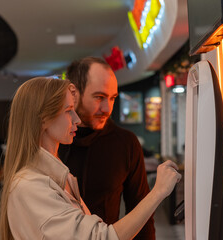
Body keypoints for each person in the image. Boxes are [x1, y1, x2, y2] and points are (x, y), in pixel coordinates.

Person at [0, 77, 181, 240]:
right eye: (68, 110)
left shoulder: (59, 175)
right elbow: (103, 237)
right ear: (43, 119)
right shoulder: (30, 186)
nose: (76, 119)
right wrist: (159, 191)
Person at [58, 56, 155, 239]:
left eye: (112, 98)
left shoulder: (126, 142)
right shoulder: (52, 139)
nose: (107, 108)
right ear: (74, 93)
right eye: (99, 97)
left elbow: (142, 212)